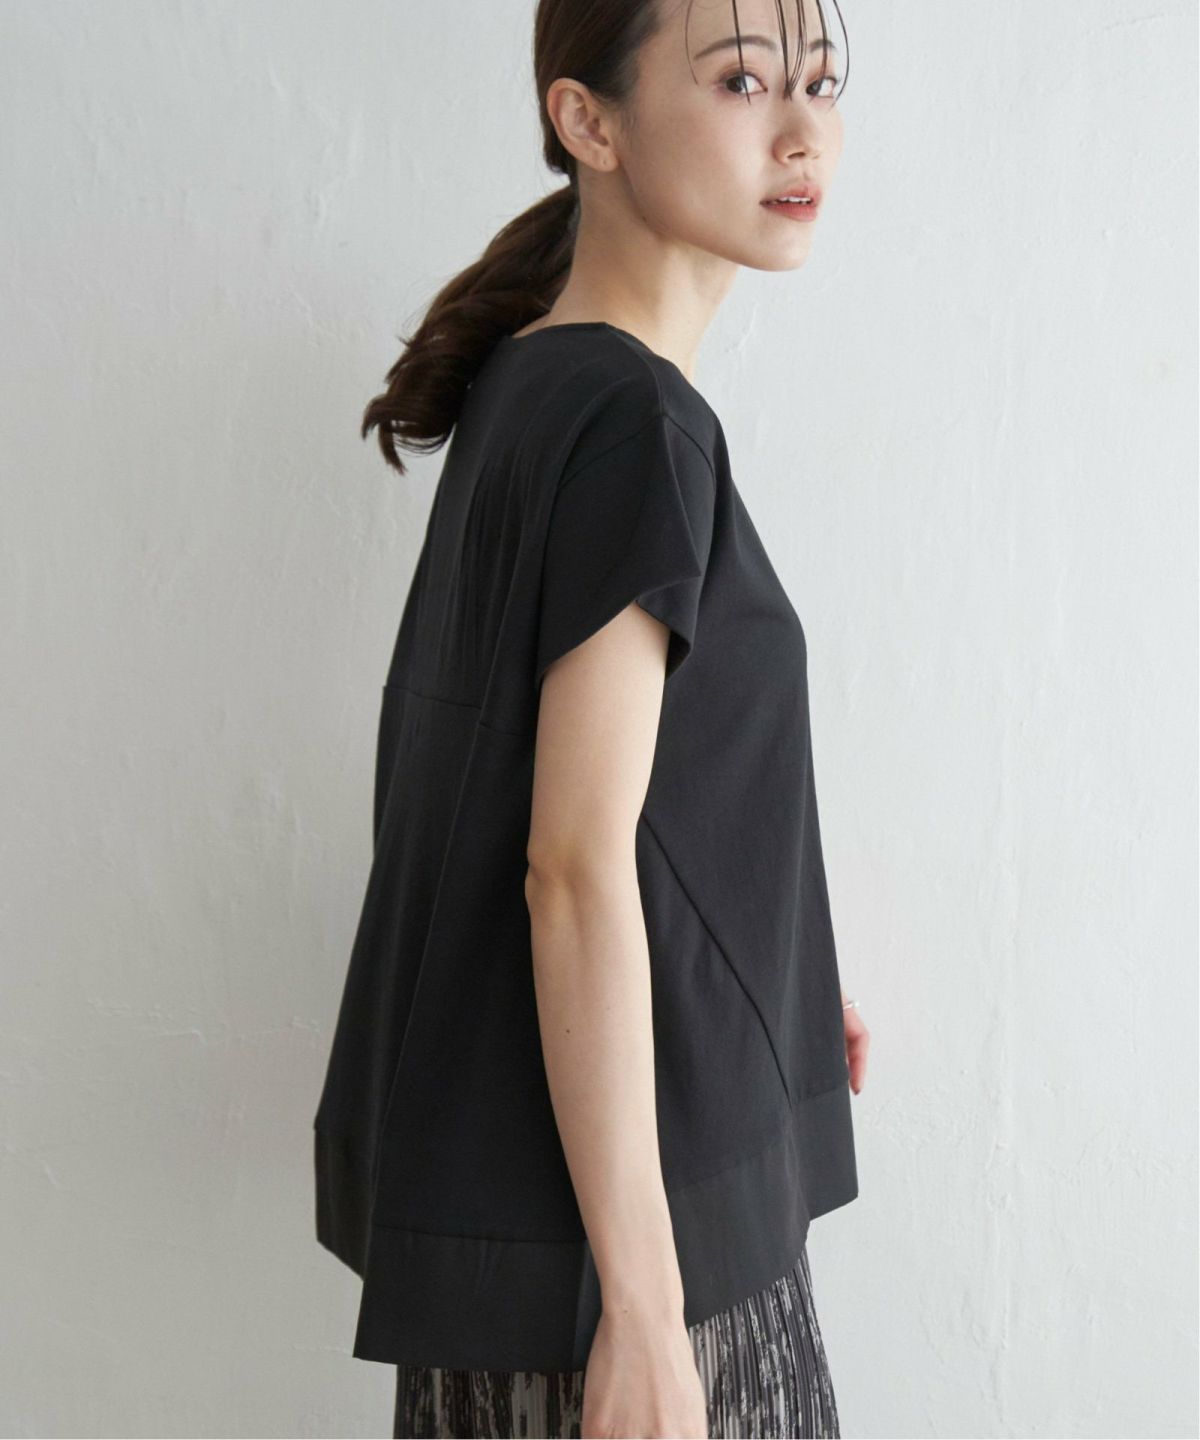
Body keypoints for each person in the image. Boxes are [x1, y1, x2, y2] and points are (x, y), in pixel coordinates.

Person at [312, 0, 871, 1435]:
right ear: (588, 121)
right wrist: (642, 1310)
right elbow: (568, 865)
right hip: (627, 1249)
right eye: (741, 82)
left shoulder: (538, 382)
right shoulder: (635, 424)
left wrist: (770, 980)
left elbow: (546, 790)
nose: (803, 131)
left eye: (820, 82)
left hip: (560, 1199)